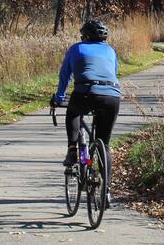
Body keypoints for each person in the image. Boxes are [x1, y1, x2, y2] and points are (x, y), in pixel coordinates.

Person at [51, 19, 120, 170]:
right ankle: (106, 190)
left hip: (85, 92)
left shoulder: (77, 48)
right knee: (105, 144)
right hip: (112, 96)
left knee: (73, 112)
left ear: (86, 36)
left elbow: (65, 76)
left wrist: (59, 98)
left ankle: (72, 150)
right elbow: (113, 73)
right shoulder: (110, 51)